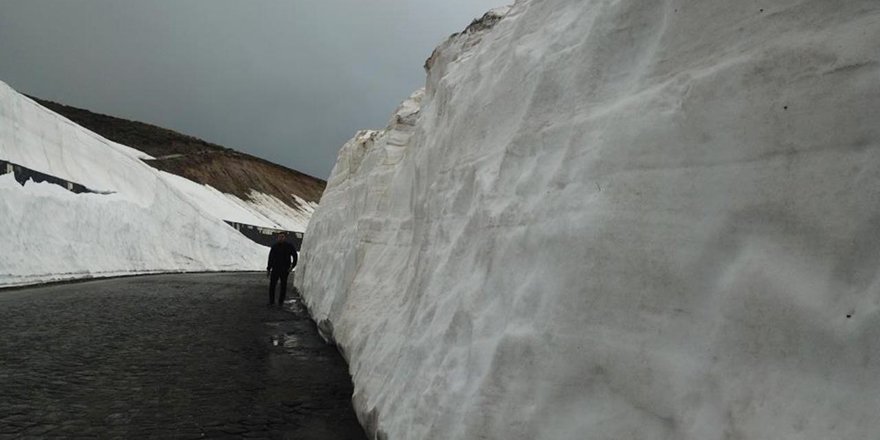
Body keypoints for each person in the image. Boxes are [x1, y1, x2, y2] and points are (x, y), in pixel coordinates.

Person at [267, 232, 297, 306]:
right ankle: (271, 301)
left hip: (285, 269)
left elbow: (295, 255)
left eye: (282, 237)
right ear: (277, 238)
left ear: (285, 237)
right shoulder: (274, 246)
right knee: (272, 285)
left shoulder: (289, 246)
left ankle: (281, 302)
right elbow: (270, 258)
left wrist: (292, 266)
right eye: (279, 237)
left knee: (283, 286)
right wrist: (268, 268)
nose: (281, 238)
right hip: (275, 269)